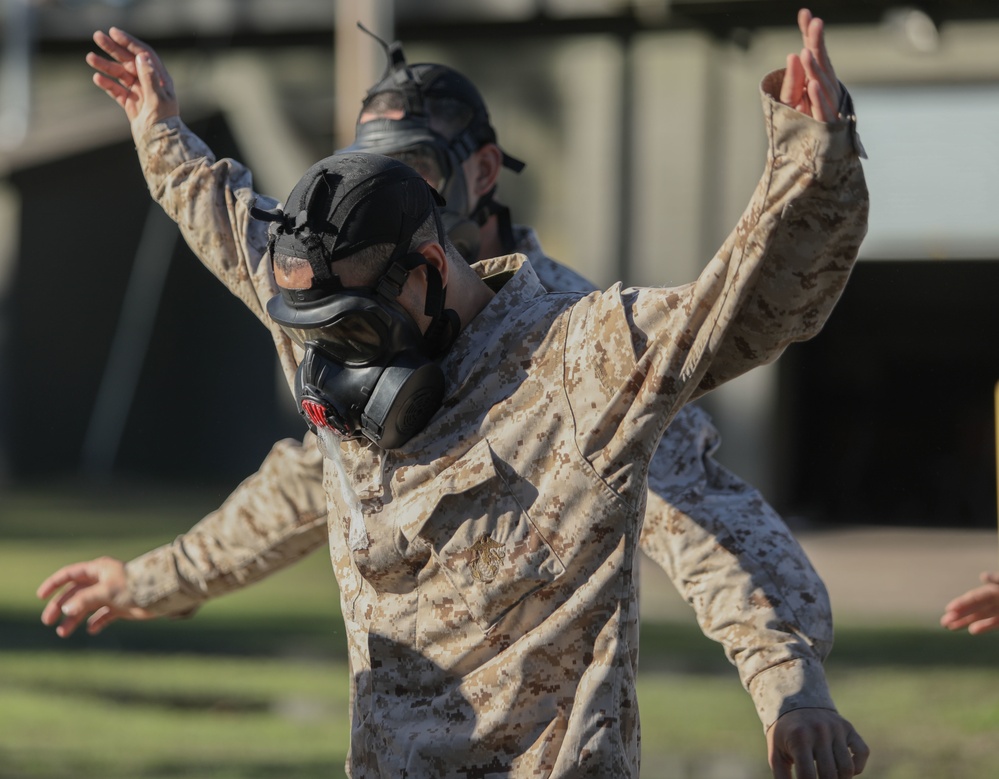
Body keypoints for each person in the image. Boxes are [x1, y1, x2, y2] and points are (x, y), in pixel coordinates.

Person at [38, 9, 870, 777]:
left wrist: (789, 684)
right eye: (374, 168)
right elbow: (308, 471)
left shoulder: (582, 358)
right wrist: (153, 581)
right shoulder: (340, 296)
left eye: (418, 170)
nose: (401, 189)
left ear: (474, 177)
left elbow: (739, 341)